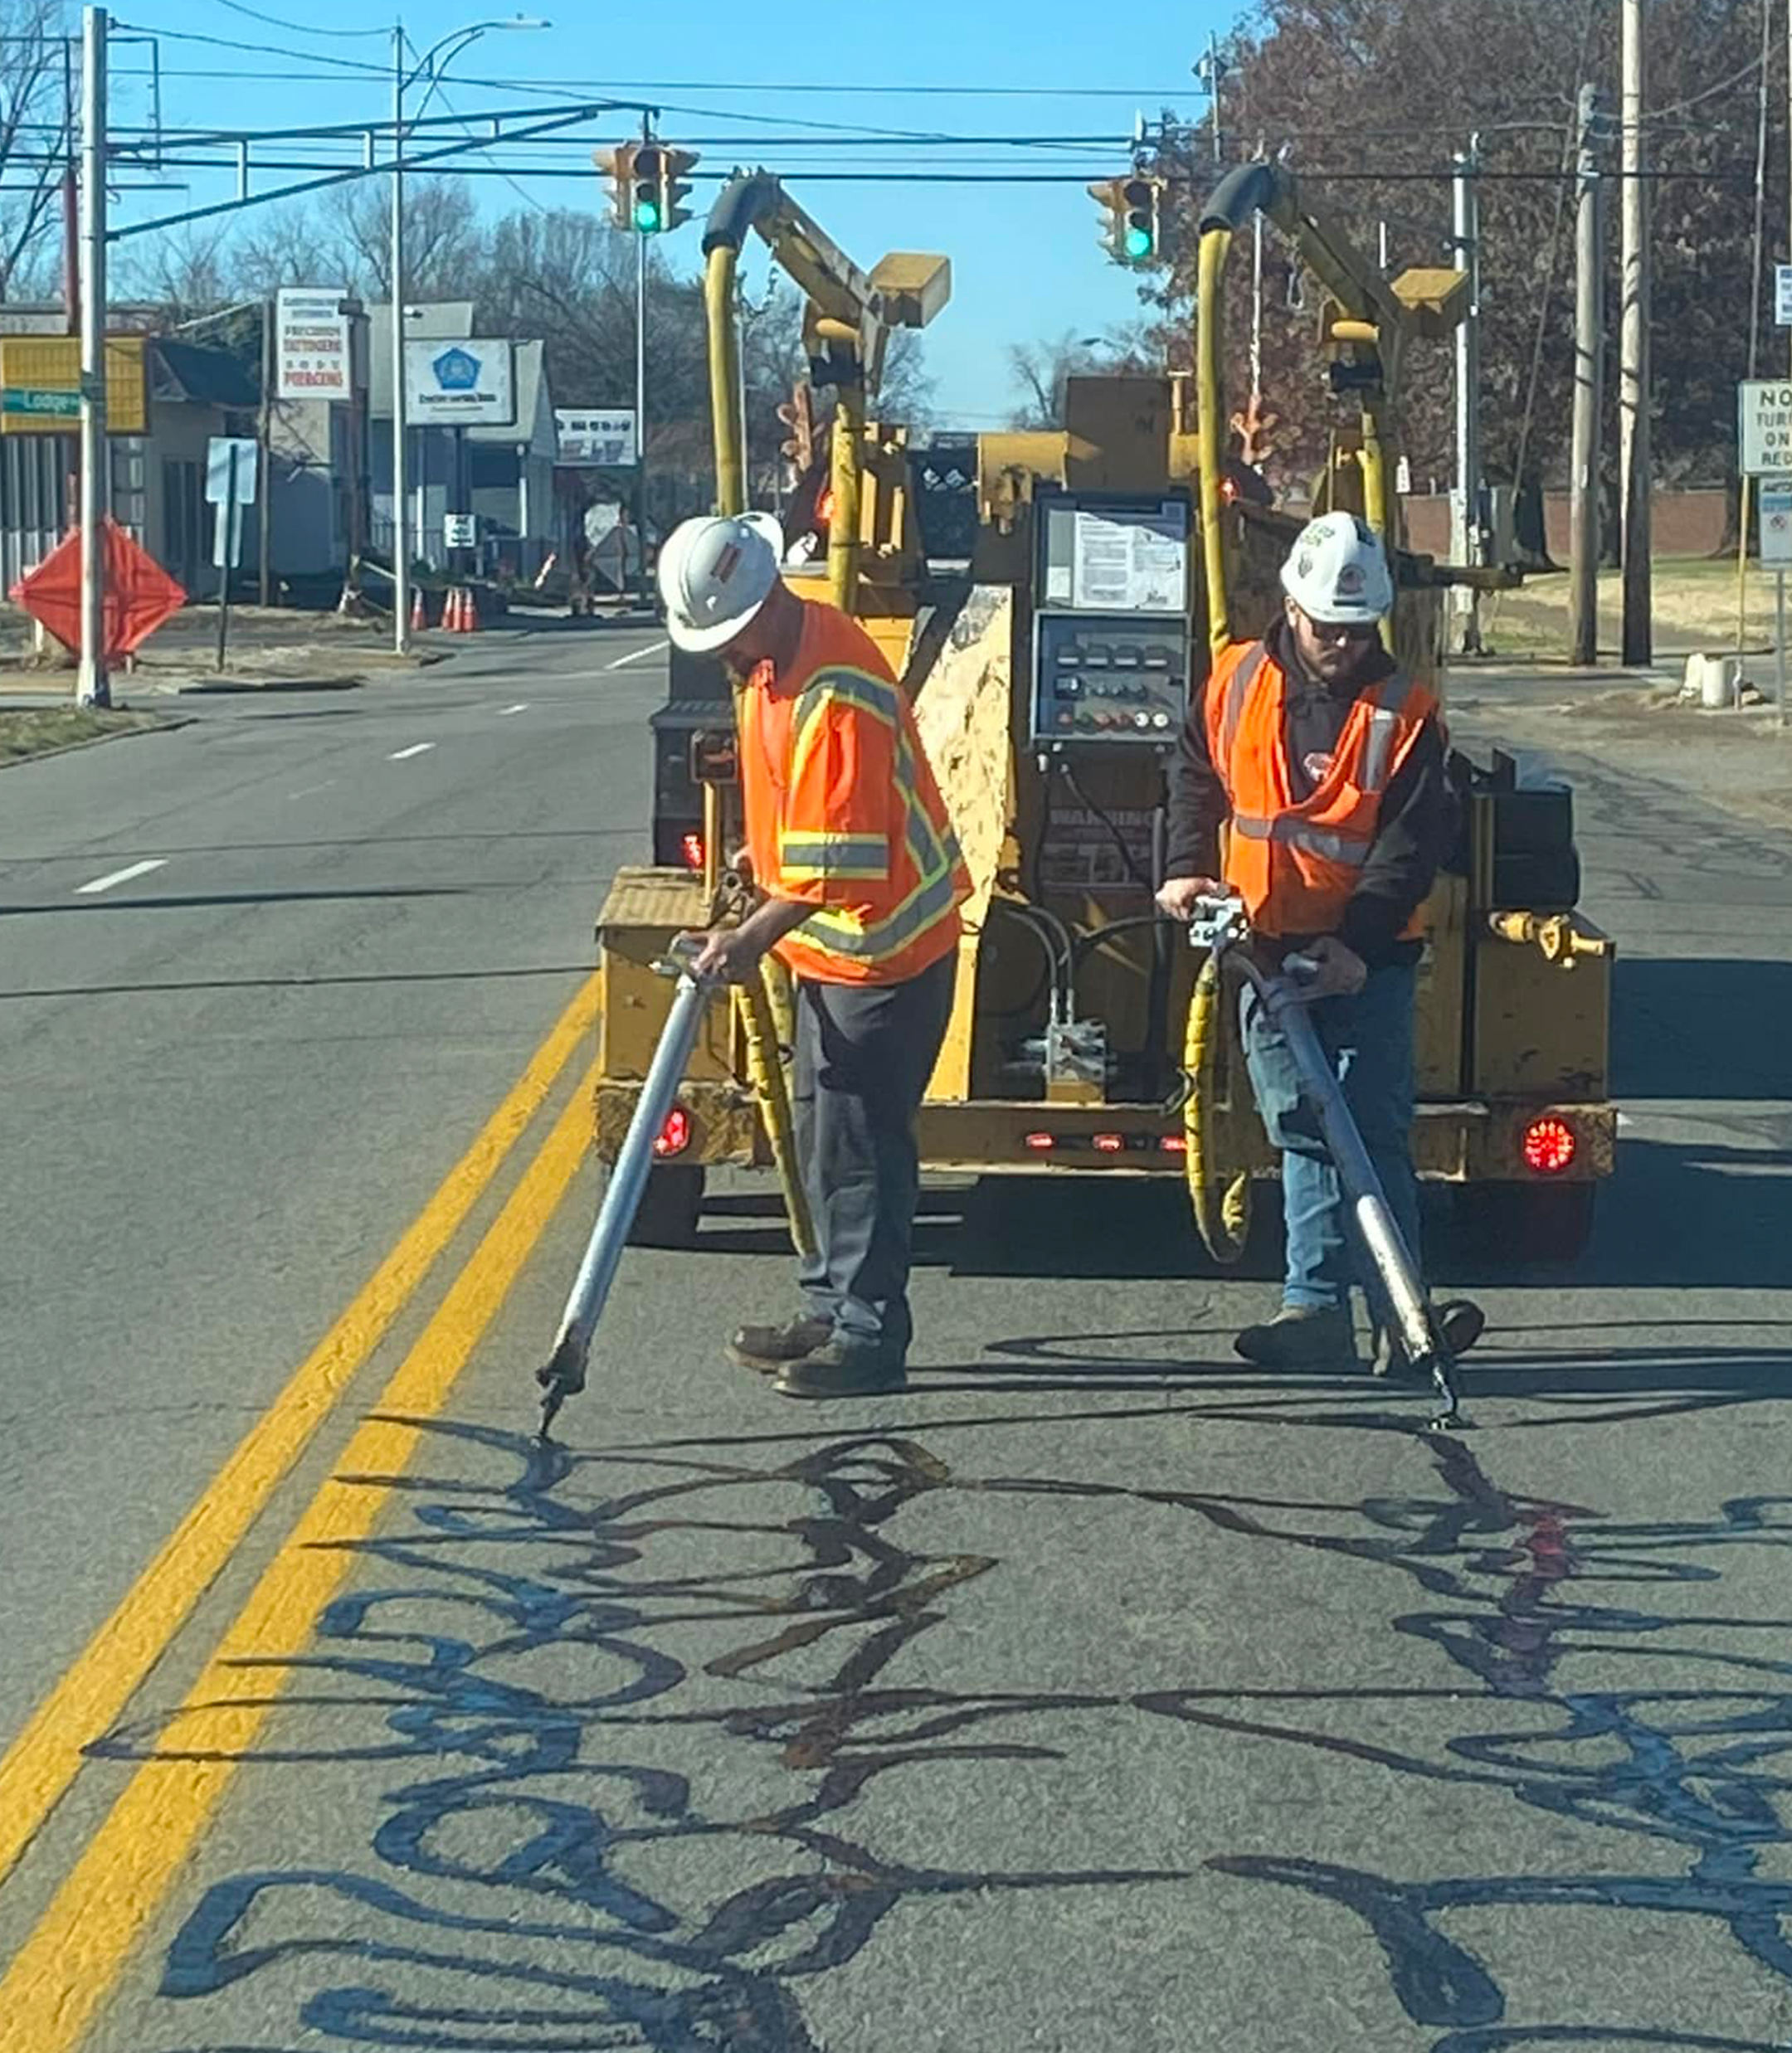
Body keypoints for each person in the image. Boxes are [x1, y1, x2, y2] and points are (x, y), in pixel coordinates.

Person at [1157, 510, 1482, 1371]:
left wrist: (1358, 948)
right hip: (1260, 947)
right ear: (1291, 609)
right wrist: (1187, 866)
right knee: (1301, 1124)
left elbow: (1411, 850)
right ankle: (1317, 1310)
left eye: (1355, 628)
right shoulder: (1234, 683)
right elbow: (1193, 774)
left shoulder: (1405, 716)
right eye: (1324, 626)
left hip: (1363, 958)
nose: (1339, 641)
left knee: (1368, 1129)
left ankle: (1401, 1318)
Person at [658, 512, 971, 1399]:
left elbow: (837, 862)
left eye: (725, 631)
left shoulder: (834, 689)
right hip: (835, 955)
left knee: (865, 1149)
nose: (717, 650)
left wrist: (746, 940)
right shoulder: (770, 662)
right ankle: (830, 1306)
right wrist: (761, 856)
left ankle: (869, 1334)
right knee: (823, 1140)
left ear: (763, 601)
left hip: (886, 951)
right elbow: (796, 813)